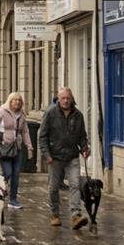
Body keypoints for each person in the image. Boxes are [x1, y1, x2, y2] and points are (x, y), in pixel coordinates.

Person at [38, 87, 90, 229]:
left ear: (71, 99)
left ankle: (75, 215)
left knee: (74, 184)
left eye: (68, 98)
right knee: (53, 188)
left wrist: (85, 148)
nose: (66, 101)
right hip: (55, 157)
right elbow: (42, 136)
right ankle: (55, 214)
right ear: (58, 99)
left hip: (72, 156)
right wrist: (47, 155)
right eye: (63, 98)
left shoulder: (78, 115)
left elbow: (82, 136)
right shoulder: (50, 113)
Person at [0, 92, 34, 209]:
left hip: (17, 148)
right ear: (10, 101)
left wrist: (30, 147)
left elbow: (25, 131)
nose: (17, 102)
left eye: (19, 100)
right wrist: (2, 138)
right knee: (8, 173)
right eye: (15, 100)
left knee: (16, 174)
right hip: (4, 148)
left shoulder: (21, 115)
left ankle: (13, 200)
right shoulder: (1, 112)